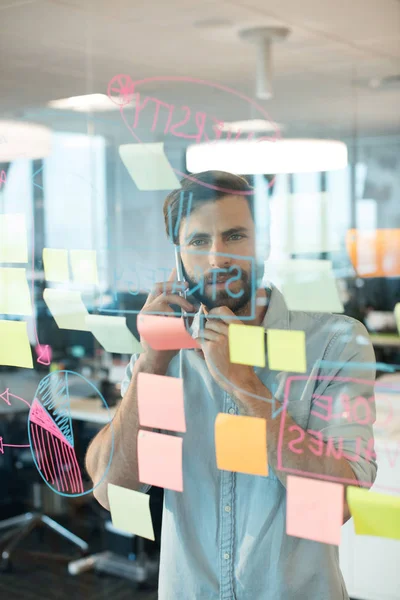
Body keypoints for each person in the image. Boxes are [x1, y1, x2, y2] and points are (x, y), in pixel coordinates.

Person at [86, 170, 377, 600]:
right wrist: (150, 363)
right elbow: (112, 491)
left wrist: (247, 387)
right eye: (199, 241)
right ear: (179, 257)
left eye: (235, 236)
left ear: (265, 244)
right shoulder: (164, 356)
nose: (218, 257)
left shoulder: (331, 344)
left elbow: (335, 507)